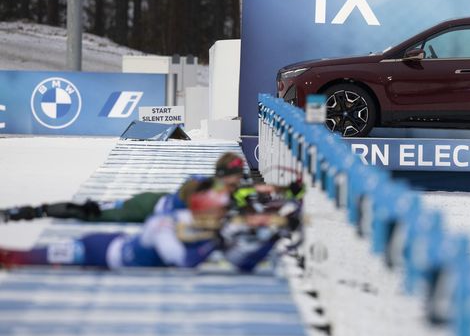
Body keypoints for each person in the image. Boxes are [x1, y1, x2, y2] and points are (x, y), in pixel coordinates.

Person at [0, 181, 301, 272]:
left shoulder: (193, 219)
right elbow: (184, 262)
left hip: (125, 232)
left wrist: (273, 233)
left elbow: (241, 260)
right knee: (25, 258)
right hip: (100, 251)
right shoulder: (167, 226)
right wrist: (217, 243)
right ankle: (25, 215)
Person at [0, 152, 302, 224]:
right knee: (92, 212)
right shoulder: (208, 185)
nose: (241, 182)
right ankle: (30, 212)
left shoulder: (227, 187)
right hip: (148, 207)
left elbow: (259, 193)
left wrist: (288, 191)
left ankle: (31, 211)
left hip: (155, 205)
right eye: (237, 177)